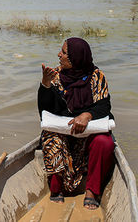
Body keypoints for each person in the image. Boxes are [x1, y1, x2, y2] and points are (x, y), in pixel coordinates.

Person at [39, 37, 114, 210]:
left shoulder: (97, 77)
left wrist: (87, 115)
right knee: (50, 136)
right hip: (64, 135)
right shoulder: (55, 76)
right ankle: (56, 188)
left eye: (64, 53)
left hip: (88, 137)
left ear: (76, 58)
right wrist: (45, 85)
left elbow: (104, 107)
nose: (59, 55)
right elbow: (44, 112)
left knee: (104, 142)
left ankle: (92, 191)